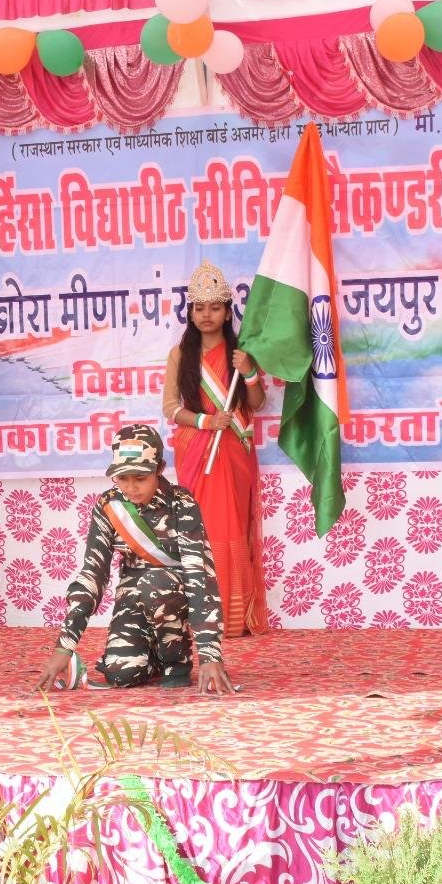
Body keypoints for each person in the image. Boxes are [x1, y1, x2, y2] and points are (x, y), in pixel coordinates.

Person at [34, 424, 234, 696]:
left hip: (174, 593)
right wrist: (64, 646)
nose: (131, 487)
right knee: (121, 673)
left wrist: (210, 654)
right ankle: (153, 657)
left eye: (140, 478)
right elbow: (93, 573)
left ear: (159, 469)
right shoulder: (109, 506)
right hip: (132, 595)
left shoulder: (182, 503)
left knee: (155, 583)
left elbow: (199, 574)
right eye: (122, 478)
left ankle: (175, 659)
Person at [161, 260, 268, 638]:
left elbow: (256, 403)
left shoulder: (241, 353)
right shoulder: (180, 355)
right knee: (199, 528)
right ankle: (201, 617)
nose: (206, 315)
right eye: (199, 308)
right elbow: (170, 408)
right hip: (196, 451)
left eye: (215, 307)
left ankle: (232, 618)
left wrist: (249, 371)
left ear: (227, 312)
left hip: (233, 451)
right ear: (190, 312)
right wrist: (207, 422)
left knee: (230, 526)